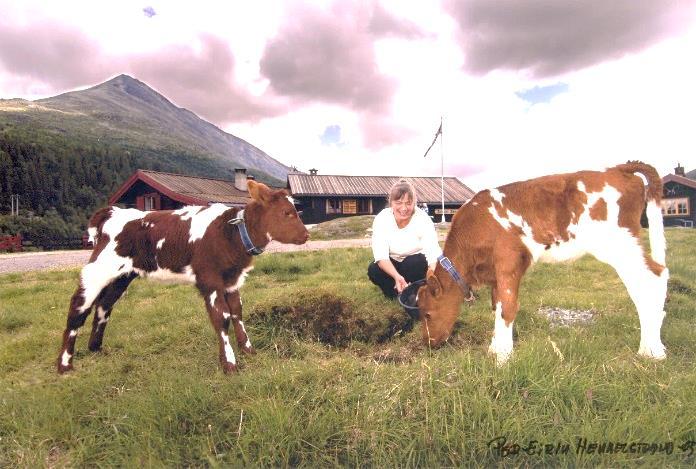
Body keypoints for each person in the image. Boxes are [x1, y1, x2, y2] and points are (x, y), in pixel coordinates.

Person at [367, 179, 442, 300]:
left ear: (414, 203)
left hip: (415, 264)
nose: (404, 208)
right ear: (391, 203)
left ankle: (416, 290)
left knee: (414, 264)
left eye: (408, 203)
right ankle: (397, 293)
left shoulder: (423, 219)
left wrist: (433, 275)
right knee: (374, 270)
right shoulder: (382, 219)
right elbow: (381, 257)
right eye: (399, 202)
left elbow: (433, 252)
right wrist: (397, 277)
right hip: (393, 264)